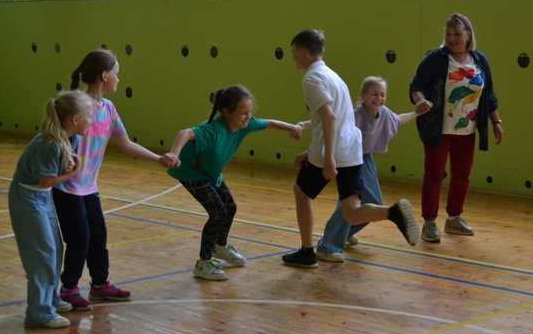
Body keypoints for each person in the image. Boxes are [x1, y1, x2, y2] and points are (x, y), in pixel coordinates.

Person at [283, 29, 421, 269]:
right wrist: (312, 151)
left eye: (294, 52)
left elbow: (330, 118)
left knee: (301, 193)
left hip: (332, 151)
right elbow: (339, 118)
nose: (293, 56)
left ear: (302, 51)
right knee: (351, 211)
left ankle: (307, 252)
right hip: (352, 150)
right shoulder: (334, 76)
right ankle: (393, 213)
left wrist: (327, 158)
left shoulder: (312, 78)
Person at [54, 49, 171, 311]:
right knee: (79, 238)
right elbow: (55, 137)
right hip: (66, 188)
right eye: (117, 74)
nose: (119, 79)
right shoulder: (77, 106)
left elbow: (126, 144)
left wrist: (158, 158)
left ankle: (99, 285)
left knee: (98, 236)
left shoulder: (108, 108)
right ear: (104, 76)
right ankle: (68, 288)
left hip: (89, 188)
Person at [163, 85, 303, 281]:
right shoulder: (213, 130)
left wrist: (293, 128)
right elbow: (185, 133)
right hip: (190, 172)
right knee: (218, 212)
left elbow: (269, 123)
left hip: (211, 173)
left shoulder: (244, 125)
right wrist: (173, 153)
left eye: (250, 112)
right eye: (243, 113)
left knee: (230, 207)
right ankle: (203, 263)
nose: (248, 117)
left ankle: (220, 247)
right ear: (227, 112)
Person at [409, 13, 502, 243]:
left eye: (457, 34)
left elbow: (489, 95)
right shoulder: (436, 58)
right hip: (437, 128)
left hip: (467, 130)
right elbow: (416, 85)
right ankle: (429, 223)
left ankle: (453, 219)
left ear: (468, 36)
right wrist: (420, 100)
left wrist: (496, 122)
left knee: (462, 176)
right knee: (434, 174)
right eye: (448, 34)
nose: (452, 39)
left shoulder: (480, 60)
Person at [307, 76, 421, 262]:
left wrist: (417, 113)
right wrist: (310, 151)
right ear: (363, 96)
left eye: (382, 94)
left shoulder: (384, 114)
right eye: (374, 93)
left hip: (365, 159)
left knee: (370, 202)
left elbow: (398, 120)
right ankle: (327, 245)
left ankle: (341, 234)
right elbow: (331, 130)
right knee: (351, 205)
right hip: (347, 158)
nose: (379, 98)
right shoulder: (354, 116)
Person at [8, 91, 92, 328]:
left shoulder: (67, 138)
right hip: (27, 198)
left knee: (54, 248)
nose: (91, 120)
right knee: (41, 254)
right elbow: (45, 181)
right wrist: (73, 173)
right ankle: (39, 313)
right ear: (75, 119)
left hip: (41, 198)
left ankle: (51, 299)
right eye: (88, 116)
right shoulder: (49, 143)